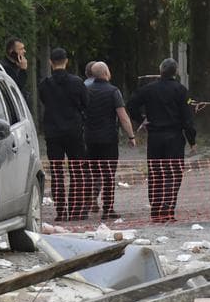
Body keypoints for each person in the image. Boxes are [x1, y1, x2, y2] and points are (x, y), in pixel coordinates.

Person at [127, 58, 196, 223]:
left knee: (156, 173)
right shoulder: (180, 90)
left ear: (160, 70)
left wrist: (141, 118)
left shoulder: (149, 89)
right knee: (173, 173)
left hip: (155, 137)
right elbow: (187, 118)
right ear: (176, 72)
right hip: (174, 136)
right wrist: (192, 139)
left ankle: (156, 210)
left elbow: (131, 104)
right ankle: (168, 209)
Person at [37, 47, 88, 221]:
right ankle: (75, 209)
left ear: (51, 62)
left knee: (57, 172)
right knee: (77, 171)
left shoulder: (45, 84)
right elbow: (85, 103)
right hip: (74, 131)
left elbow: (44, 100)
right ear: (66, 61)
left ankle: (61, 211)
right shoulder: (77, 82)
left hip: (53, 132)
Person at [83, 62, 136, 220]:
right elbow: (123, 116)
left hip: (89, 138)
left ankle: (85, 206)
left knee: (90, 173)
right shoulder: (113, 91)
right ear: (106, 72)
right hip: (108, 139)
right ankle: (108, 209)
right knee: (108, 175)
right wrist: (131, 136)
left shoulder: (86, 91)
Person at [1, 37, 29, 108]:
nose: (24, 51)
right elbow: (16, 87)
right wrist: (23, 70)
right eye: (21, 49)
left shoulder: (16, 66)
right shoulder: (5, 68)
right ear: (12, 52)